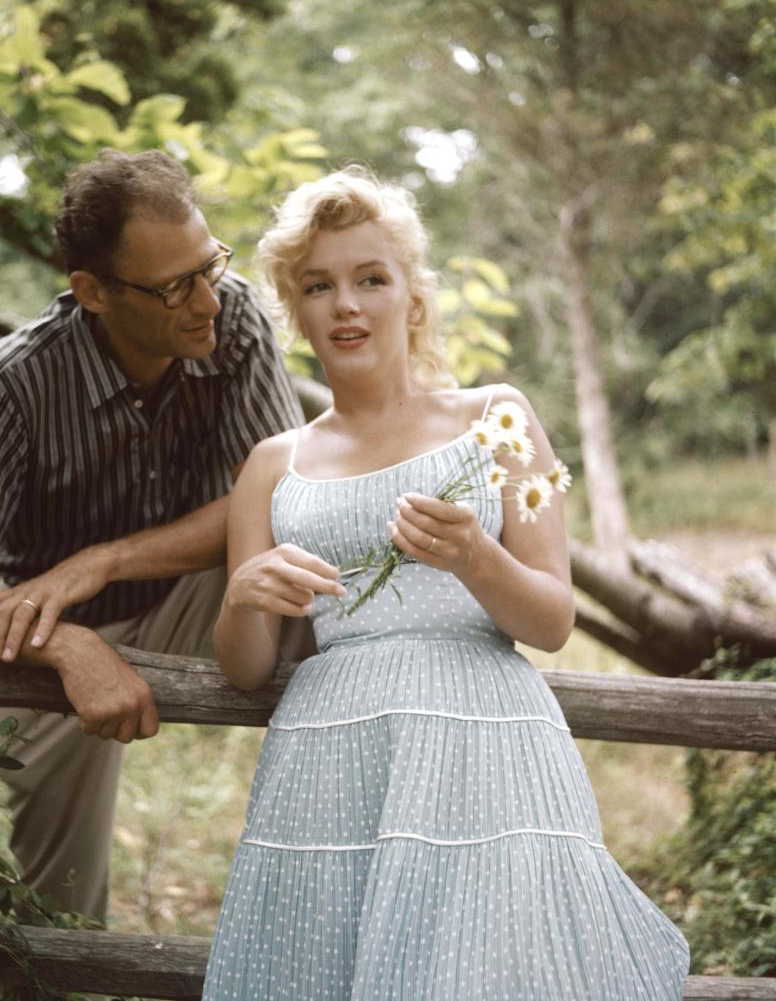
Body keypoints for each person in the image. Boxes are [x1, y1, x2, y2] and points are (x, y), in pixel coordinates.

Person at [202, 167, 690, 999]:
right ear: (296, 309)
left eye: (371, 279)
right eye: (318, 286)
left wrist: (476, 559)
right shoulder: (270, 467)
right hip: (332, 756)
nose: (346, 304)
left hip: (484, 742)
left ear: (412, 296)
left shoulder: (494, 417)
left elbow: (551, 620)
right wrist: (245, 594)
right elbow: (246, 667)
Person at [0, 149, 304, 929]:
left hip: (201, 596)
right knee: (58, 912)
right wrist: (70, 648)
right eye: (175, 285)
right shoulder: (10, 384)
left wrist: (102, 559)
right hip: (48, 635)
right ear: (93, 293)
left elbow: (283, 493)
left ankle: (356, 889)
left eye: (210, 265)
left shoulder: (231, 315)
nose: (207, 300)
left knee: (322, 574)